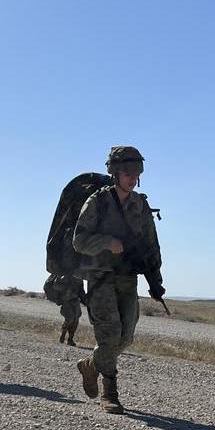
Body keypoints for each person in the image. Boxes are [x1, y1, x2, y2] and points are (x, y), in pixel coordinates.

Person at [73, 146, 166, 415]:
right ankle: (109, 392)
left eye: (137, 172)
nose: (133, 177)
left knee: (125, 338)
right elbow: (79, 241)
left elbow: (151, 246)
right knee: (110, 334)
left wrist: (156, 280)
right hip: (101, 277)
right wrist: (106, 242)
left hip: (128, 278)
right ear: (114, 172)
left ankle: (89, 366)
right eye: (127, 172)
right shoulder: (98, 202)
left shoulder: (140, 205)